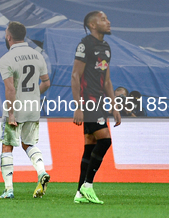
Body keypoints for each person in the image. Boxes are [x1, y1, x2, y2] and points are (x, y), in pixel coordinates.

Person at [72, 11, 122, 204]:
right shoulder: (86, 45)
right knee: (105, 141)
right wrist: (78, 106)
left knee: (90, 145)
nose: (108, 22)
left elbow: (107, 80)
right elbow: (75, 75)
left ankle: (79, 193)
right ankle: (88, 185)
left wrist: (114, 105)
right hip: (89, 102)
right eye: (103, 19)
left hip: (100, 102)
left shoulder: (106, 47)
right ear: (93, 25)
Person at [0, 21, 51, 199]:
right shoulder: (37, 55)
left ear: (9, 36)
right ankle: (42, 171)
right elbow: (46, 82)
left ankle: (8, 189)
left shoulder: (6, 59)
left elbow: (10, 89)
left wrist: (11, 113)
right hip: (33, 107)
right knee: (28, 144)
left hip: (16, 107)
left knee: (7, 146)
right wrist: (35, 95)